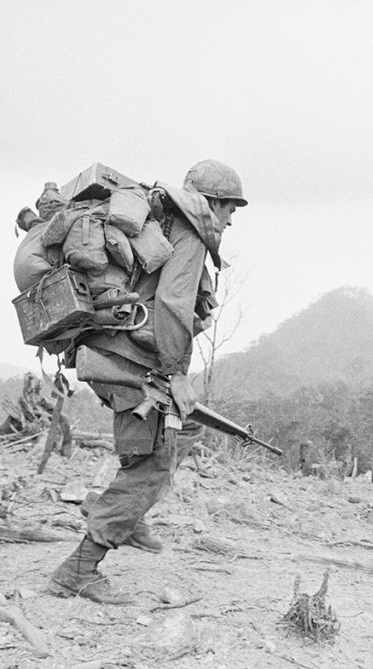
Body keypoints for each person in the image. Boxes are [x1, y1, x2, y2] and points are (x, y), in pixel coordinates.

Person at [50, 160, 247, 604]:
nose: (231, 219)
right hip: (129, 361)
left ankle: (129, 513)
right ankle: (79, 569)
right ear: (212, 201)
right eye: (230, 208)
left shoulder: (161, 221)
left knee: (186, 427)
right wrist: (177, 373)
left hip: (112, 353)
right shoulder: (190, 229)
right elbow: (175, 304)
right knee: (151, 466)